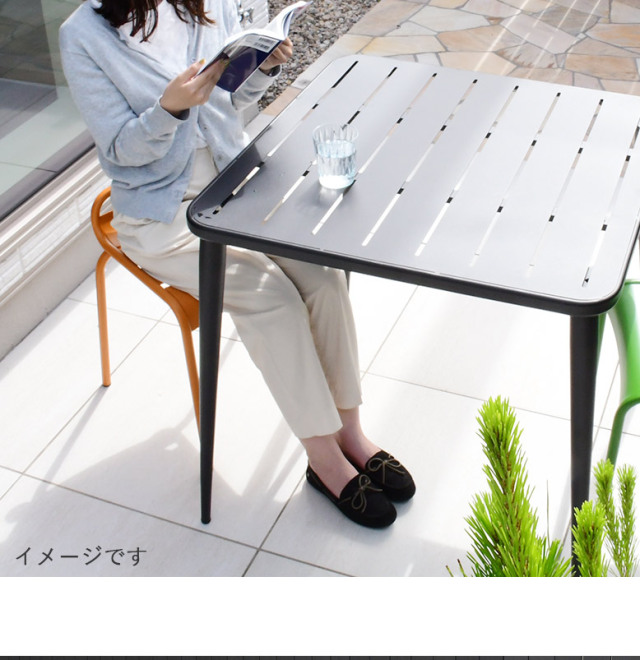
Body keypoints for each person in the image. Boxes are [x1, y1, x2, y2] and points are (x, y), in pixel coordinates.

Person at [59, 0, 415, 528]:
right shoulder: (84, 35)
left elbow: (231, 103)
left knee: (323, 279)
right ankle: (324, 461)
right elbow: (118, 151)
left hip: (236, 182)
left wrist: (262, 68)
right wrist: (168, 111)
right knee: (273, 299)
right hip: (162, 213)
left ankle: (351, 434)